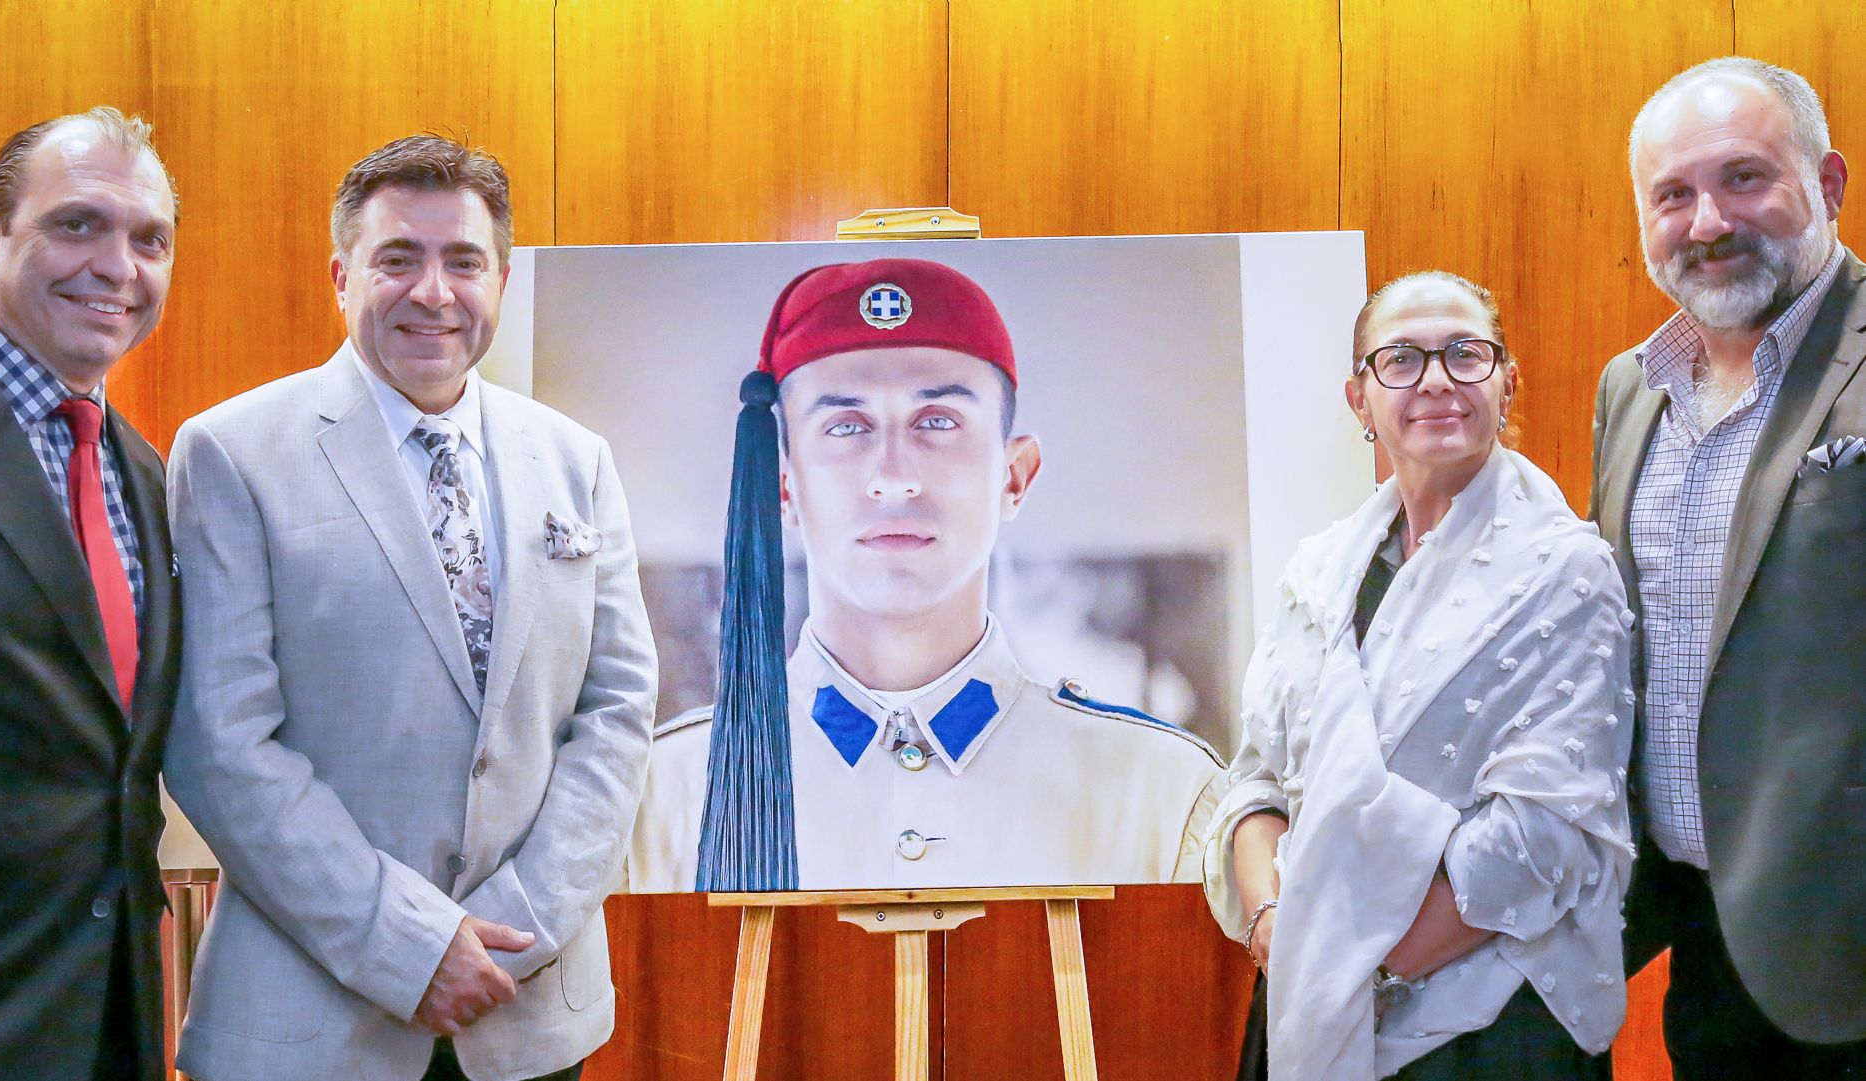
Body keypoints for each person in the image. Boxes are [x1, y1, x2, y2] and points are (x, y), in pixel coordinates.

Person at [163, 135, 657, 1081]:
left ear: (501, 279)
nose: (434, 291)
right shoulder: (232, 451)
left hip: (528, 1009)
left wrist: (519, 928)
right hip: (312, 1020)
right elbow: (222, 741)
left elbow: (618, 712)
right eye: (399, 258)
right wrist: (412, 946)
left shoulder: (573, 458)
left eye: (463, 261)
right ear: (342, 275)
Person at [626, 257, 1226, 892]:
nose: (893, 475)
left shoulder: (1162, 795)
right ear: (783, 487)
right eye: (846, 426)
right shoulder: (662, 799)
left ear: (1014, 476)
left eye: (937, 422)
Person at [1206, 271, 1635, 1081]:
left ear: (1508, 382)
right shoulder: (1318, 572)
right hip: (1304, 996)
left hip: (1486, 1024)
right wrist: (1272, 922)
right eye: (1399, 358)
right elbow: (1255, 785)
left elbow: (1542, 837)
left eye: (1464, 354)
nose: (1435, 378)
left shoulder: (1565, 571)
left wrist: (1359, 969)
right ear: (1357, 398)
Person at [1591, 56, 1866, 1077]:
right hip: (1701, 937)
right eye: (1672, 194)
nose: (1707, 220)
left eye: (1745, 178)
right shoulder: (1631, 388)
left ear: (1828, 184)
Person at [0, 106, 180, 1081]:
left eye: (149, 238)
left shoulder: (151, 476)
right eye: (77, 223)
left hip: (110, 1014)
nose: (118, 266)